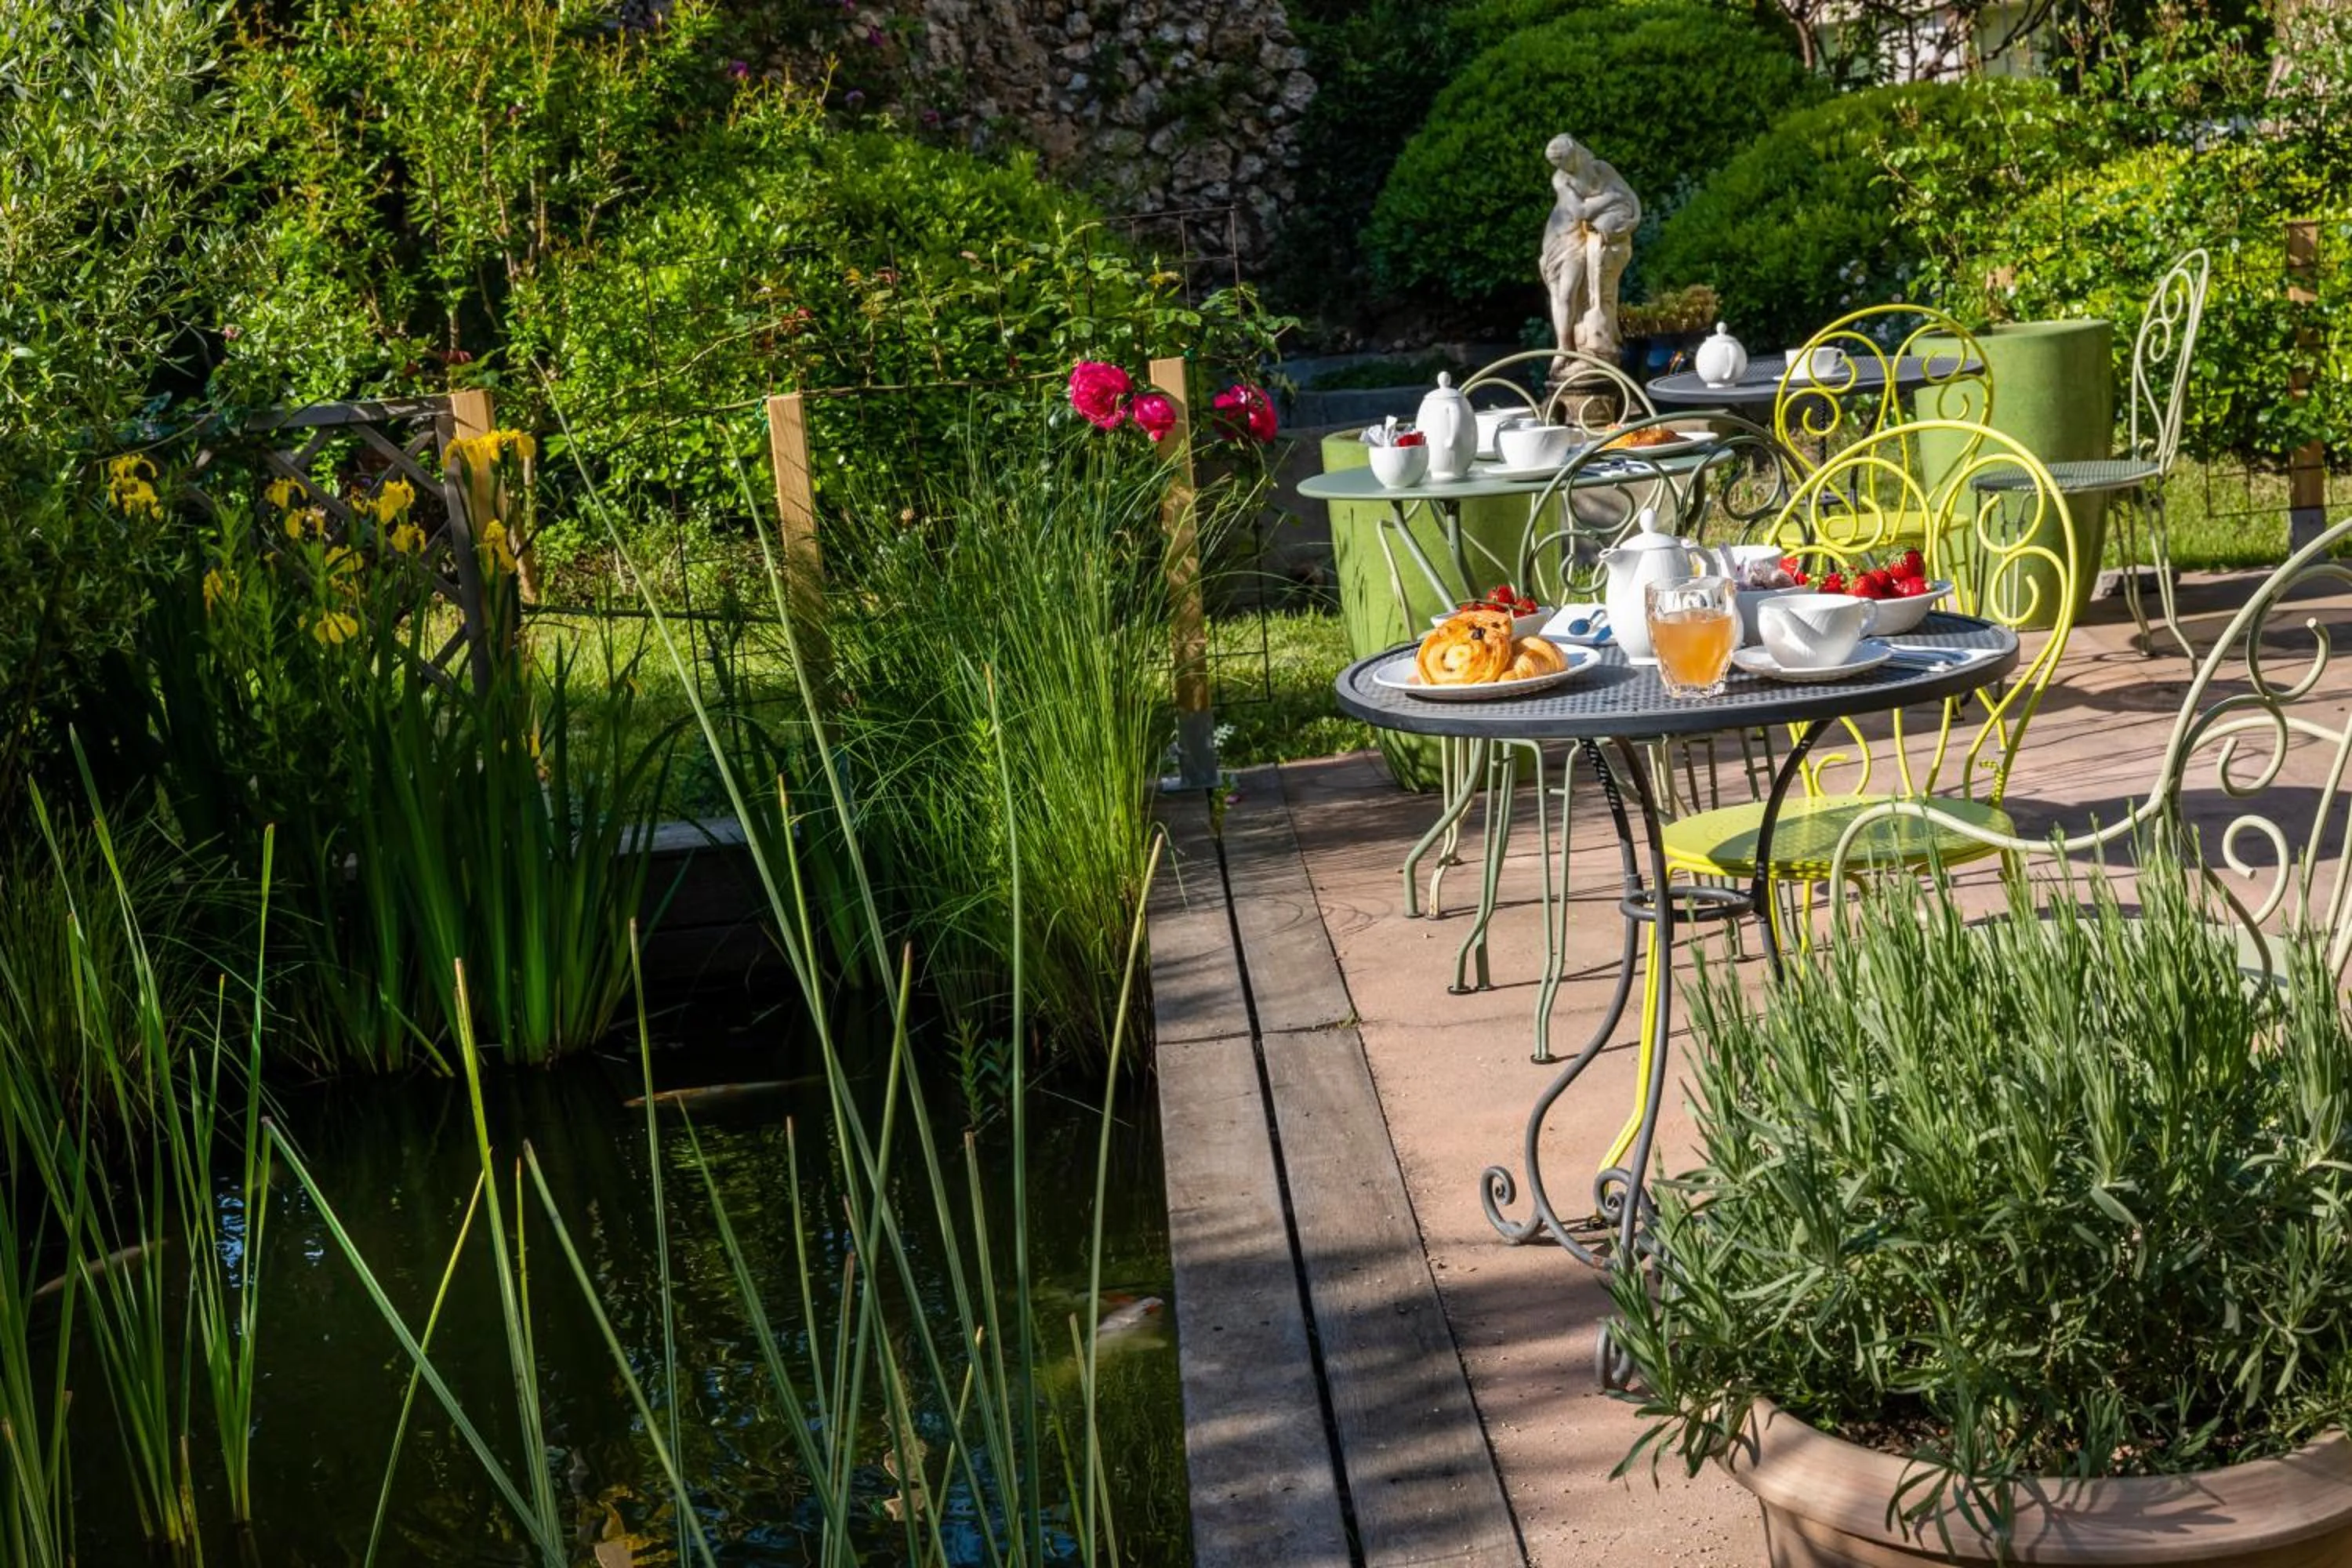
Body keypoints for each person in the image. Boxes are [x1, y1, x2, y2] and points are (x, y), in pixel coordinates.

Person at [1538, 134, 1641, 383]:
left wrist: (1628, 215)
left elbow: (1630, 198)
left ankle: (1590, 350)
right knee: (1563, 295)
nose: (1561, 166)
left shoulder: (1602, 169)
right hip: (1562, 241)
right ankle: (1564, 348)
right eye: (1556, 163)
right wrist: (1612, 198)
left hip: (1585, 241)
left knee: (1578, 295)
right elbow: (1581, 211)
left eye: (1562, 160)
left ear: (1574, 153)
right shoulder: (1561, 180)